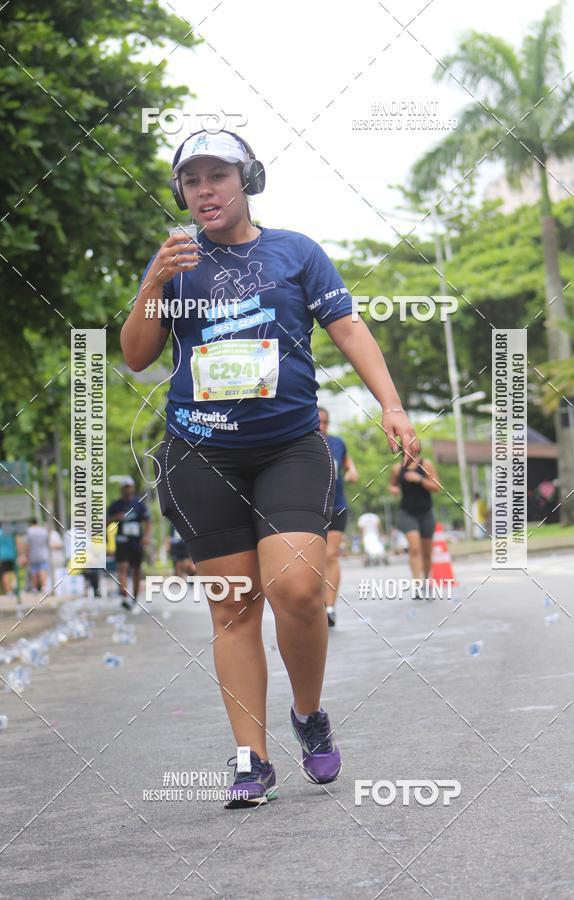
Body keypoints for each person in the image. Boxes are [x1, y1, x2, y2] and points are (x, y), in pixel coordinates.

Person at [120, 128, 418, 808]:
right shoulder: (173, 262)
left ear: (246, 180)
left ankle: (308, 715)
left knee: (298, 591)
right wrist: (155, 284)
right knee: (232, 609)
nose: (205, 190)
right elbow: (137, 355)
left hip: (288, 445)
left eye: (217, 176)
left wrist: (392, 405)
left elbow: (348, 327)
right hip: (199, 452)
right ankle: (250, 759)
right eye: (192, 180)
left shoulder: (295, 253)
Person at [318, 407, 359, 627]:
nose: (321, 426)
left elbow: (348, 463)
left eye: (325, 422)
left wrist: (352, 471)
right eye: (318, 421)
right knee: (313, 560)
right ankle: (316, 605)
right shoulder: (300, 443)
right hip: (310, 509)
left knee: (331, 555)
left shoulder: (337, 443)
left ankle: (330, 607)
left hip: (337, 506)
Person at [389, 455, 440, 581]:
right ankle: (418, 583)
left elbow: (437, 487)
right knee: (415, 548)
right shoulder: (397, 468)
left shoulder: (426, 464)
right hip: (407, 513)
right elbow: (392, 485)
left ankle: (426, 579)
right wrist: (394, 489)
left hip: (426, 513)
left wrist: (420, 479)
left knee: (426, 552)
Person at [106, 478, 151, 609]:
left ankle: (134, 598)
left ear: (133, 488)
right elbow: (105, 522)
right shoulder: (116, 505)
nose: (127, 490)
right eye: (125, 488)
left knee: (136, 569)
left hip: (137, 541)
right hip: (122, 541)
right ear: (121, 490)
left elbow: (148, 521)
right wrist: (115, 518)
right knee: (123, 567)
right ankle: (124, 595)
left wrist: (147, 536)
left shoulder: (139, 503)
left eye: (129, 487)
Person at [24, 519, 50, 592]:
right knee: (43, 570)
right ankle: (44, 587)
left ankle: (34, 588)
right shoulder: (43, 530)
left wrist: (26, 555)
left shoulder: (29, 531)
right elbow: (47, 542)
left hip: (33, 554)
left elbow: (27, 545)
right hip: (43, 553)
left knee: (34, 571)